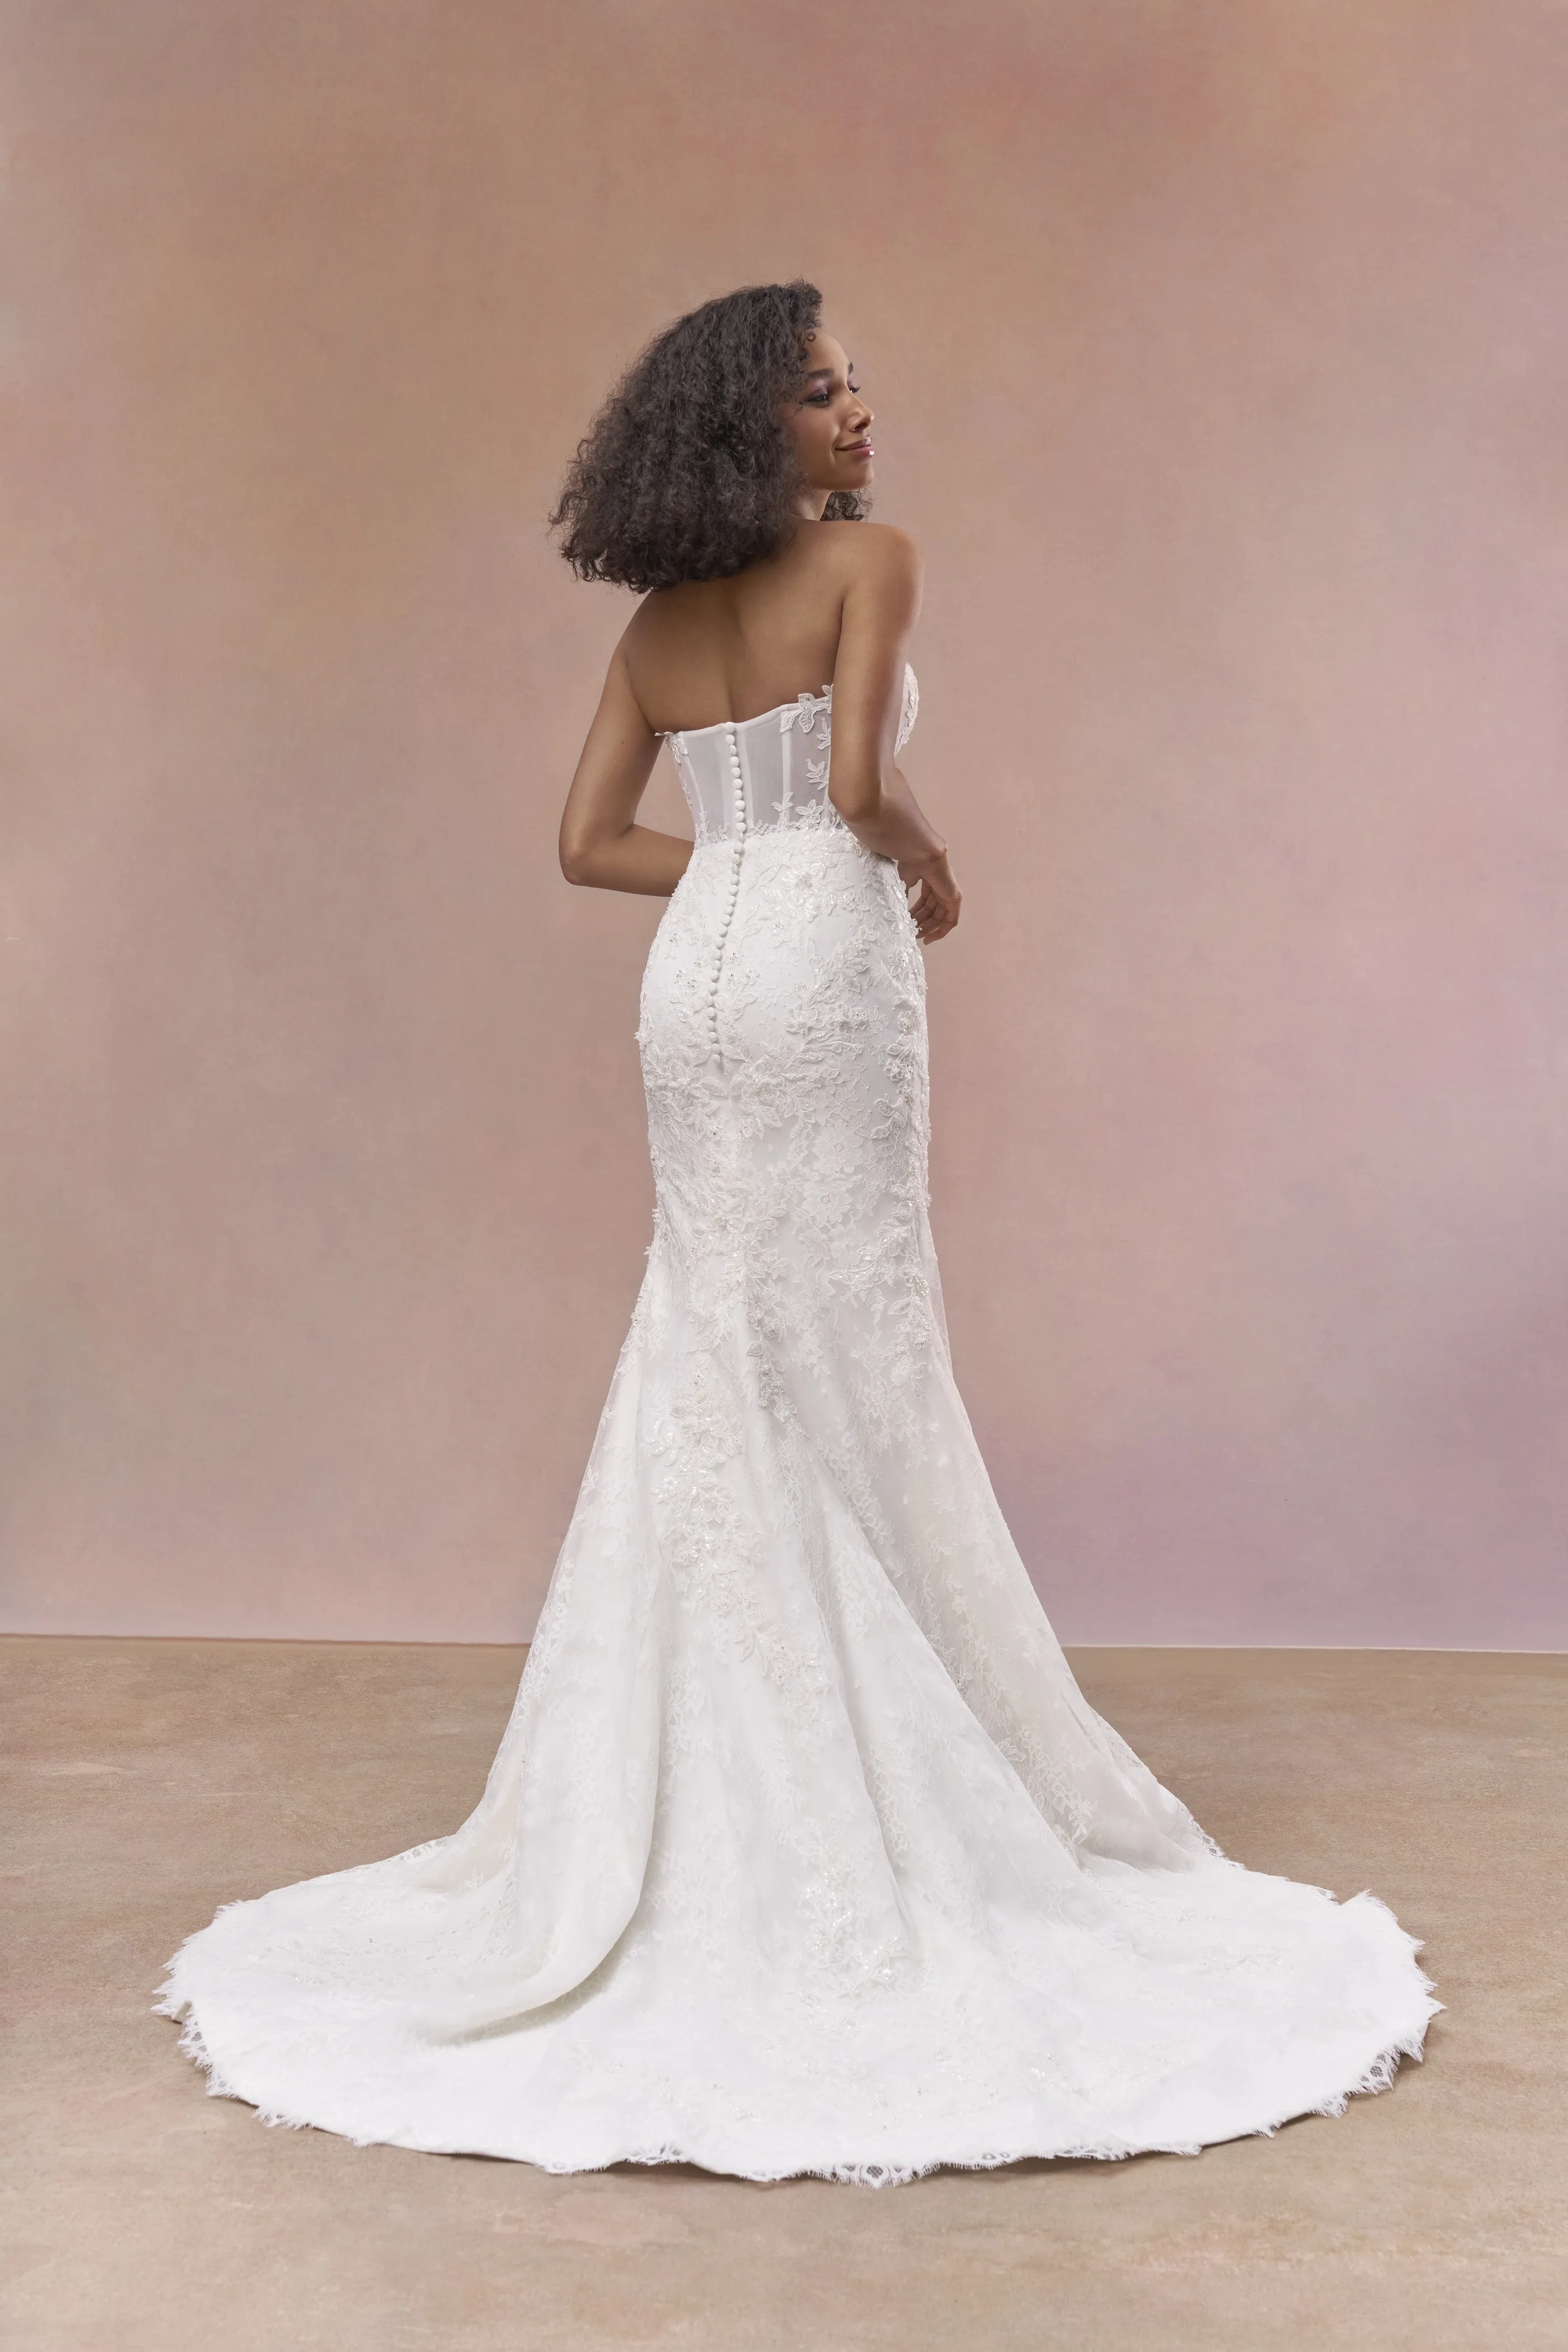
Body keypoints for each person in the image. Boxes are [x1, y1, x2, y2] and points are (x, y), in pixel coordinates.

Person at [158, 281, 1436, 2182]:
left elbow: (587, 842)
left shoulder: (658, 627)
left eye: (854, 385)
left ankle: (699, 1769)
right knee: (848, 1334)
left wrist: (734, 876)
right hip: (824, 974)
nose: (858, 413)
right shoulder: (873, 562)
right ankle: (852, 1764)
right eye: (821, 392)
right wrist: (919, 858)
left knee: (715, 1330)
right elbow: (850, 786)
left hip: (694, 985)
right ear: (746, 426)